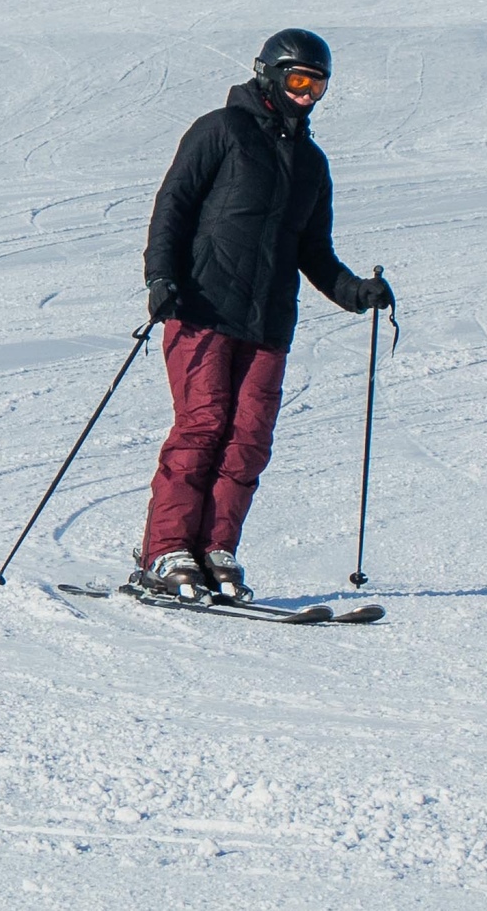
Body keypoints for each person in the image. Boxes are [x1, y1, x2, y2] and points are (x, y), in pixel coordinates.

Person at [137, 29, 392, 603]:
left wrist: (356, 292)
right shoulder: (221, 131)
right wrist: (160, 278)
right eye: (299, 80)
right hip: (201, 307)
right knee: (202, 426)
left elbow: (314, 252)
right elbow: (173, 206)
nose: (308, 94)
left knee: (248, 440)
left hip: (269, 322)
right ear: (269, 76)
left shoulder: (311, 163)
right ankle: (165, 552)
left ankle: (215, 550)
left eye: (318, 84)